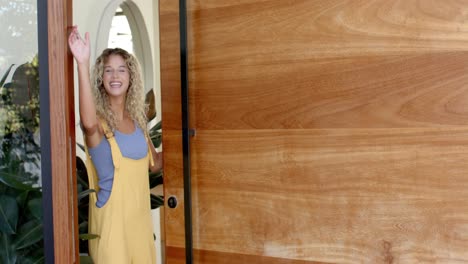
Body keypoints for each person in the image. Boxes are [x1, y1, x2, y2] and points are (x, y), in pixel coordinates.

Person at [68, 25, 161, 264]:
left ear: (131, 78)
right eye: (108, 71)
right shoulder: (98, 126)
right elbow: (87, 124)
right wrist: (82, 62)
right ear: (101, 79)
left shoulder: (140, 123)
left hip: (139, 227)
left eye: (121, 70)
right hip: (112, 230)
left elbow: (155, 164)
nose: (115, 76)